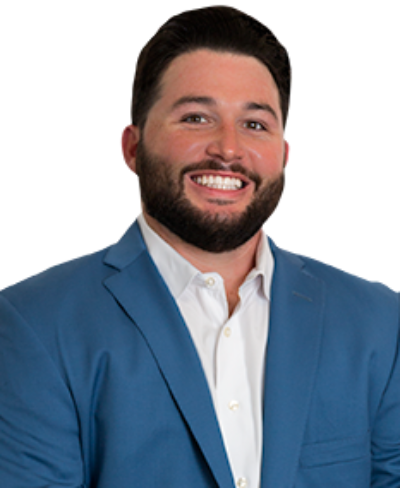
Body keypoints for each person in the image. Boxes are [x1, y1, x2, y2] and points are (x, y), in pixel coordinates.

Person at [0, 5, 398, 487]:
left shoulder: (379, 322)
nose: (228, 148)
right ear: (131, 148)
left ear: (285, 154)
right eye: (196, 117)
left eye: (255, 124)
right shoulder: (36, 322)